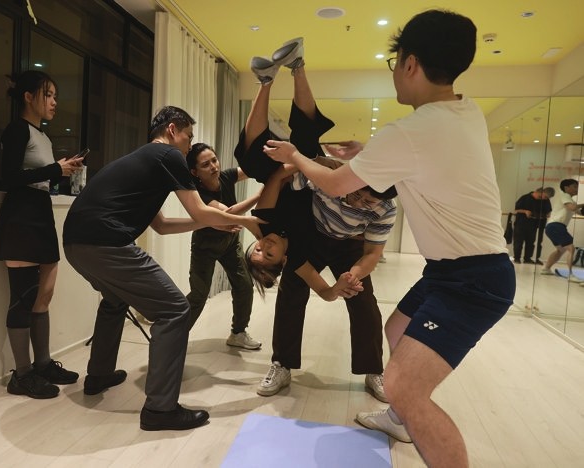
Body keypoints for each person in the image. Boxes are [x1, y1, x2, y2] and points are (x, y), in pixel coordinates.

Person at [264, 11, 516, 468]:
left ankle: (406, 408)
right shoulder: (466, 111)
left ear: (410, 63)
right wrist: (368, 153)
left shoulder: (410, 132)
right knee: (396, 329)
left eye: (394, 62)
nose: (395, 71)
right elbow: (422, 157)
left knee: (403, 384)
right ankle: (400, 417)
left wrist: (296, 155)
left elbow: (336, 184)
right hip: (449, 272)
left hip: (474, 280)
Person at [62, 106, 262, 431]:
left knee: (114, 300)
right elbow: (200, 211)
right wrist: (247, 222)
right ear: (172, 130)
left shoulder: (144, 163)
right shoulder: (168, 155)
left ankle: (98, 375)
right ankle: (160, 409)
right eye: (189, 137)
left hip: (75, 244)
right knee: (175, 310)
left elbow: (163, 225)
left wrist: (211, 223)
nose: (189, 145)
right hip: (106, 242)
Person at [239, 39, 397, 402]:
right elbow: (290, 176)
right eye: (356, 192)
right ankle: (282, 364)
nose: (357, 200)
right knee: (291, 296)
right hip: (311, 234)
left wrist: (353, 275)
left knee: (364, 303)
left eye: (366, 200)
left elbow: (372, 253)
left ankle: (374, 370)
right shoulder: (330, 177)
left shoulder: (385, 209)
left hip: (349, 244)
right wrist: (301, 158)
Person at [0, 70, 84, 399]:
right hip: (20, 217)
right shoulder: (17, 129)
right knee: (23, 297)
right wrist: (56, 168)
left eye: (55, 95)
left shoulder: (43, 136)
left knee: (45, 294)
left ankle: (42, 365)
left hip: (41, 214)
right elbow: (9, 177)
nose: (54, 102)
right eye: (48, 94)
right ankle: (22, 374)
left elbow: (39, 177)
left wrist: (62, 170)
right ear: (28, 97)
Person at [185, 142, 262, 349]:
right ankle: (174, 336)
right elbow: (227, 214)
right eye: (205, 164)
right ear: (195, 172)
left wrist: (276, 165)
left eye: (214, 160)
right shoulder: (198, 194)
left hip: (230, 243)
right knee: (199, 295)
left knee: (244, 285)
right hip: (205, 246)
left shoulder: (226, 176)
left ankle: (238, 333)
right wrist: (259, 196)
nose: (213, 166)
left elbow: (251, 170)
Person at [540, 179, 584, 277]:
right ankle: (571, 275)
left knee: (561, 250)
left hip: (552, 227)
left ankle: (546, 269)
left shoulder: (570, 200)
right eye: (574, 186)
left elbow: (578, 211)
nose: (576, 189)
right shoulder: (565, 195)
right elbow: (573, 208)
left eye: (577, 187)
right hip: (556, 226)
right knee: (571, 248)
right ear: (566, 188)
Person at [512, 187, 552, 264]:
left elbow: (549, 210)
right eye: (545, 196)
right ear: (539, 192)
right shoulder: (525, 198)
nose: (545, 199)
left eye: (547, 198)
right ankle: (517, 258)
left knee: (531, 242)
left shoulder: (545, 200)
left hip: (535, 224)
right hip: (521, 223)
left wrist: (547, 214)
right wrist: (525, 211)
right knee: (518, 241)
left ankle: (527, 258)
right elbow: (516, 210)